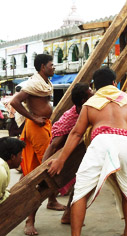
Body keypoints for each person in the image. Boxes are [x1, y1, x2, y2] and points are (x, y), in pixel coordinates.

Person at [48, 67, 127, 236]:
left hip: (101, 142)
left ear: (95, 86)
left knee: (81, 191)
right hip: (125, 141)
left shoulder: (90, 103)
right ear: (114, 83)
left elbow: (76, 133)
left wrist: (60, 159)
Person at [10, 53, 64, 236]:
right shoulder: (32, 84)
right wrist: (33, 117)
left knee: (39, 168)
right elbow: (15, 101)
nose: (53, 67)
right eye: (51, 64)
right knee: (44, 172)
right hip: (36, 128)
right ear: (42, 66)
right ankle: (30, 219)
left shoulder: (44, 82)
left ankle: (51, 201)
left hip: (43, 126)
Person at [41, 82, 94, 224]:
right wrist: (43, 168)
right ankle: (30, 220)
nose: (94, 94)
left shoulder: (88, 110)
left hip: (77, 153)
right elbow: (54, 145)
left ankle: (67, 215)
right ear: (84, 101)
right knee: (44, 185)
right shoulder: (71, 117)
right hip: (60, 154)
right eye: (91, 93)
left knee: (80, 184)